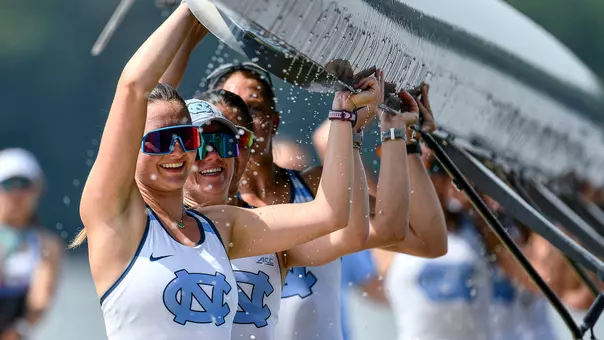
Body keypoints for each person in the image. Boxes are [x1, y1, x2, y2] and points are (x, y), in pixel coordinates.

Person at [73, 4, 372, 339]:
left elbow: (330, 214)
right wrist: (191, 8)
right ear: (132, 150)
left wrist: (344, 118)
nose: (176, 150)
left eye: (186, 138)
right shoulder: (115, 221)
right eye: (160, 141)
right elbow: (133, 89)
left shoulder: (222, 226)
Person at [0, 148, 63, 340]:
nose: (18, 194)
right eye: (9, 184)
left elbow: (40, 300)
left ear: (38, 191)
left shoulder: (47, 245)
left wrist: (19, 330)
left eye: (25, 185)